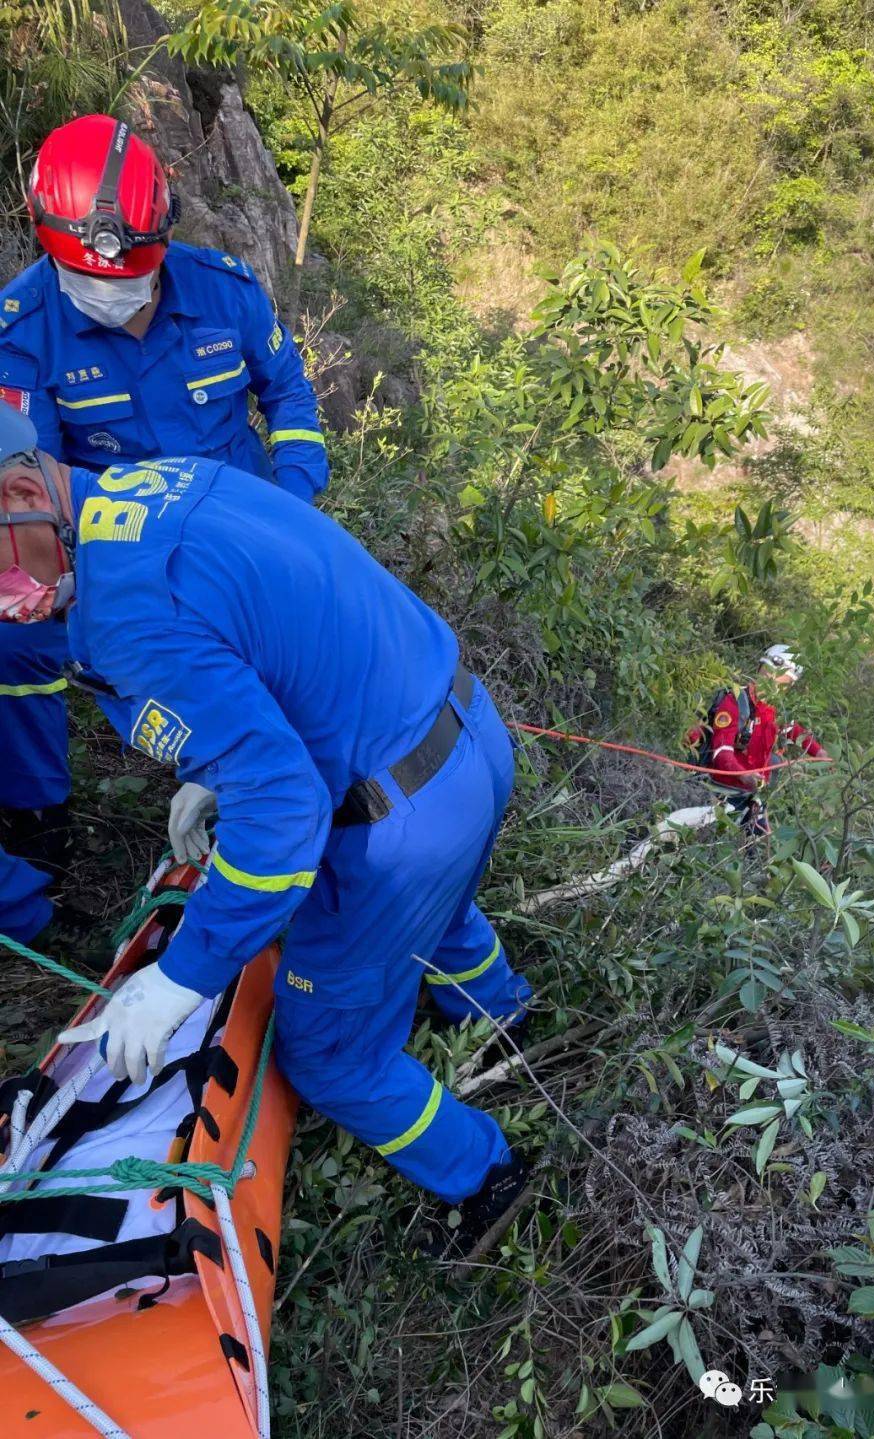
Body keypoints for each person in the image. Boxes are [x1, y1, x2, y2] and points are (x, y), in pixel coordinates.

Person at [0, 408, 531, 1249]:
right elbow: (262, 634)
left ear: (23, 494)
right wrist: (213, 768)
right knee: (443, 911)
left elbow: (285, 815)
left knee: (329, 1057)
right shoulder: (146, 483)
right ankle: (502, 1012)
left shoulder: (126, 612)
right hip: (466, 736)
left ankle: (487, 1174)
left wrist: (183, 976)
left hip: (398, 827)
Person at [0, 113, 328, 893]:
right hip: (118, 554)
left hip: (246, 531)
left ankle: (291, 798)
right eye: (91, 280)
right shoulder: (23, 332)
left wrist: (294, 507)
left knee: (308, 659)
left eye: (129, 276)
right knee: (15, 644)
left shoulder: (224, 291)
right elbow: (32, 483)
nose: (113, 294)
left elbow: (287, 394)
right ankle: (41, 824)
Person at [688, 644, 828, 836]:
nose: (775, 684)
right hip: (723, 790)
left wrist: (818, 751)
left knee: (761, 841)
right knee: (720, 838)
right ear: (762, 671)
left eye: (784, 682)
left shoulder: (775, 707)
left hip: (753, 793)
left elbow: (792, 730)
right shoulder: (736, 702)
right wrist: (744, 775)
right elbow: (722, 753)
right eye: (770, 675)